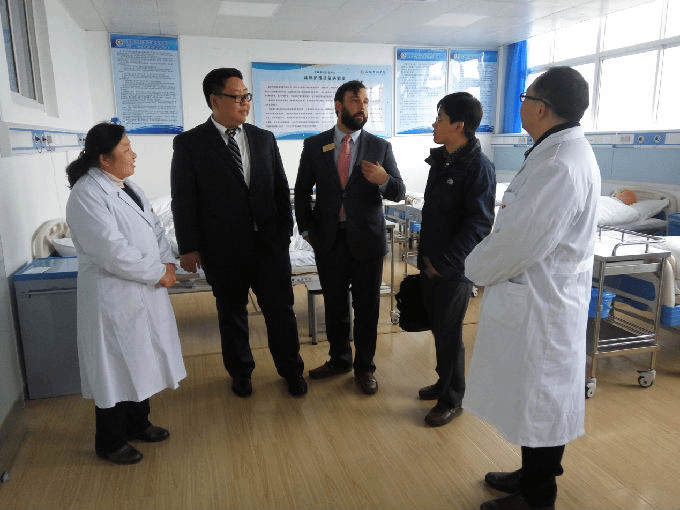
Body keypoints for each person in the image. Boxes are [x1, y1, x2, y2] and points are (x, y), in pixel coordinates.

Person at [464, 67, 600, 510]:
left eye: (525, 97)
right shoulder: (555, 151)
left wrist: (472, 268)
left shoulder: (560, 164)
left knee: (542, 399)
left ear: (541, 108)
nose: (521, 104)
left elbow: (520, 242)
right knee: (535, 397)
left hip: (545, 304)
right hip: (543, 297)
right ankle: (531, 474)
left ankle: (538, 497)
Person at [171, 68, 306, 398]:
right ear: (215, 100)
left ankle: (291, 370)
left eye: (247, 96)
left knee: (281, 311)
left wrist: (284, 233)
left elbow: (280, 188)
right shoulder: (190, 144)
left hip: (269, 245)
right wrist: (188, 247)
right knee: (232, 314)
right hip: (222, 248)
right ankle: (241, 373)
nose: (245, 103)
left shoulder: (263, 138)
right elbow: (183, 199)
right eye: (237, 97)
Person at [65, 122, 186, 465]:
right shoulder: (86, 195)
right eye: (126, 149)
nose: (134, 154)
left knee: (141, 359)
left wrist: (167, 262)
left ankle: (138, 423)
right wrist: (157, 273)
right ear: (104, 159)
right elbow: (111, 251)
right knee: (115, 367)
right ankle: (109, 441)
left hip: (144, 288)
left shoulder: (128, 186)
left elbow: (155, 228)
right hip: (113, 295)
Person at [295, 80, 405, 395]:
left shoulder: (379, 146)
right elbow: (301, 192)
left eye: (366, 102)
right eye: (356, 101)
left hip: (367, 240)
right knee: (335, 304)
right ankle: (340, 359)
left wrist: (383, 179)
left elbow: (398, 190)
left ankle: (365, 367)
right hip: (328, 240)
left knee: (367, 306)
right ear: (339, 106)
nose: (363, 108)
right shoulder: (315, 145)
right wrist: (306, 230)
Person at [416, 92, 495, 427]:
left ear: (458, 125)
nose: (434, 124)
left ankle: (452, 399)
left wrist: (445, 261)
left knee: (449, 332)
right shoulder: (442, 160)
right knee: (438, 328)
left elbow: (479, 224)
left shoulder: (479, 167)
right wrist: (426, 258)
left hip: (455, 267)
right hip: (431, 262)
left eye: (440, 119)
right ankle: (443, 381)